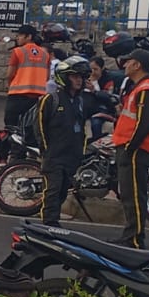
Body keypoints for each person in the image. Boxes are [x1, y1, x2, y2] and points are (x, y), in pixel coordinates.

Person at [111, 48, 149, 248]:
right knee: (129, 193)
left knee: (133, 194)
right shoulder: (141, 87)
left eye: (128, 61)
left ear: (137, 65)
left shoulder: (146, 90)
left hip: (136, 149)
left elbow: (143, 124)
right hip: (133, 148)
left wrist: (130, 147)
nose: (124, 65)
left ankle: (133, 239)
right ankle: (130, 235)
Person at [33, 56, 97, 226]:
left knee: (62, 192)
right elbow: (39, 126)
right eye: (75, 76)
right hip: (54, 156)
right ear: (65, 77)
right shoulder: (51, 99)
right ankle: (49, 225)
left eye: (81, 77)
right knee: (52, 191)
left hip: (72, 156)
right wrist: (46, 152)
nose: (79, 80)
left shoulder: (80, 100)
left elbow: (82, 128)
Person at [4, 25, 52, 130]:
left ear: (29, 36)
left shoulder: (18, 51)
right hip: (36, 97)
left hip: (17, 95)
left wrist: (10, 85)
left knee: (11, 125)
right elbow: (47, 77)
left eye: (20, 35)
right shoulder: (45, 54)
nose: (17, 38)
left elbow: (10, 74)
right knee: (30, 126)